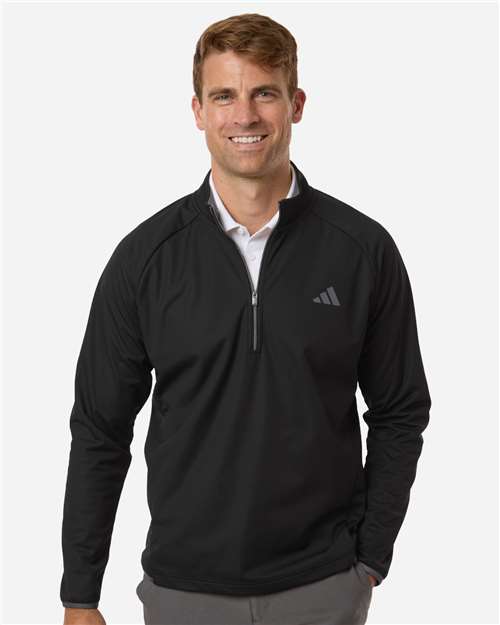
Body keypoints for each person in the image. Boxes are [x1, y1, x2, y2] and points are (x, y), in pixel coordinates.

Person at [60, 12, 431, 625]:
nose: (245, 116)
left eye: (264, 93)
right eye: (224, 96)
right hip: (184, 592)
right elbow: (100, 427)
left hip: (323, 587)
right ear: (198, 111)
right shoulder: (145, 259)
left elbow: (400, 410)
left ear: (296, 104)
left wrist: (370, 557)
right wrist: (80, 595)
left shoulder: (362, 250)